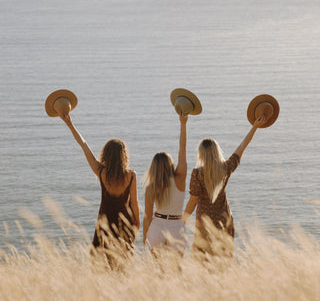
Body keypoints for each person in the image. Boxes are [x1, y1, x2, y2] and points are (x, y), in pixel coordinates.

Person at [59, 113, 140, 263]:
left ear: (106, 155)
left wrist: (70, 124)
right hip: (125, 226)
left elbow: (84, 145)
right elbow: (134, 204)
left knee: (100, 265)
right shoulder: (131, 176)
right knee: (123, 266)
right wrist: (137, 224)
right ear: (124, 156)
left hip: (104, 226)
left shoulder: (101, 173)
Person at [183, 115, 266, 257]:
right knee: (224, 261)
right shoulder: (225, 168)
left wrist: (181, 220)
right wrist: (254, 127)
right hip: (224, 221)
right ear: (216, 153)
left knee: (201, 261)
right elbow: (241, 147)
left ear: (201, 155)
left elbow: (193, 201)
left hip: (204, 224)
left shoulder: (197, 174)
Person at [143, 112, 188, 254]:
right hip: (176, 226)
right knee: (176, 271)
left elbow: (147, 216)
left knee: (158, 271)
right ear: (170, 165)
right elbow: (183, 149)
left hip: (157, 226)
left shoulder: (151, 188)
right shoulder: (180, 179)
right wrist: (183, 124)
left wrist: (146, 236)